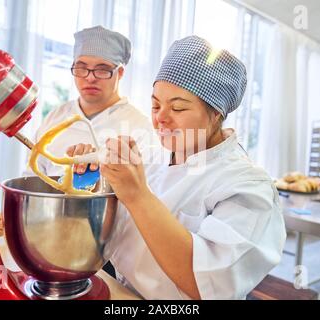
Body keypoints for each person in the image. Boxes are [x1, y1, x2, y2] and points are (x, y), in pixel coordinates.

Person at [69, 36, 286, 300]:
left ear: (216, 113)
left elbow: (207, 284)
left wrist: (138, 196)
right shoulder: (151, 156)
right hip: (121, 291)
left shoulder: (247, 187)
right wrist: (88, 180)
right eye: (155, 105)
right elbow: (104, 224)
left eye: (178, 107)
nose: (160, 117)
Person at [28, 25, 154, 177]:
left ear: (119, 73)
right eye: (81, 68)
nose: (90, 77)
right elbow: (31, 177)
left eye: (102, 69)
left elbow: (143, 191)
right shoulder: (55, 118)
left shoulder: (139, 126)